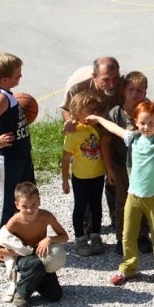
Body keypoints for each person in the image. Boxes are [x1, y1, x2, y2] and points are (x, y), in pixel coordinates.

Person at [87, 100, 154, 286]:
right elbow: (114, 128)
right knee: (127, 234)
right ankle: (128, 267)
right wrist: (98, 119)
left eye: (151, 123)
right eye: (142, 123)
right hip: (133, 196)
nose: (146, 127)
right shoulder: (133, 138)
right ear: (136, 122)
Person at [60, 57, 123, 231]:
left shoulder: (123, 84)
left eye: (115, 78)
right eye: (106, 80)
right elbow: (65, 108)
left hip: (109, 133)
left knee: (113, 175)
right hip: (87, 135)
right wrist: (71, 123)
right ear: (94, 77)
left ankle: (116, 219)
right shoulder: (78, 86)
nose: (112, 84)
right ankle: (86, 225)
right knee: (86, 181)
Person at [0, 52, 35, 246]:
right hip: (6, 157)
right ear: (4, 79)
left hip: (19, 154)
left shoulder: (6, 94)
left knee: (23, 193)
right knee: (3, 198)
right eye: (17, 74)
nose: (20, 76)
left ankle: (18, 232)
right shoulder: (0, 98)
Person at [0, 182, 69, 307]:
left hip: (41, 256)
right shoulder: (15, 222)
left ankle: (34, 281)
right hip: (23, 258)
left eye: (34, 205)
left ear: (39, 202)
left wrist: (49, 239)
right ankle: (21, 292)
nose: (30, 210)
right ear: (17, 205)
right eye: (24, 206)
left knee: (55, 295)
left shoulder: (46, 216)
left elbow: (64, 237)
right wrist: (13, 253)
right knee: (34, 264)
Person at [102, 71, 152, 256]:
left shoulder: (148, 111)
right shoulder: (115, 114)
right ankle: (122, 237)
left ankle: (142, 236)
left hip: (144, 166)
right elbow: (105, 143)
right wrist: (109, 169)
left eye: (139, 90)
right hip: (121, 165)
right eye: (131, 89)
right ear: (123, 91)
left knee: (143, 200)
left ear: (145, 91)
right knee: (122, 202)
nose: (134, 94)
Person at [61, 92, 106, 257]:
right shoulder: (73, 132)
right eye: (90, 110)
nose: (95, 113)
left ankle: (95, 236)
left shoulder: (96, 128)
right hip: (81, 177)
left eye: (96, 109)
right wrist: (65, 180)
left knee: (96, 206)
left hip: (98, 175)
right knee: (80, 207)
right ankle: (80, 238)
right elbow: (66, 159)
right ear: (78, 112)